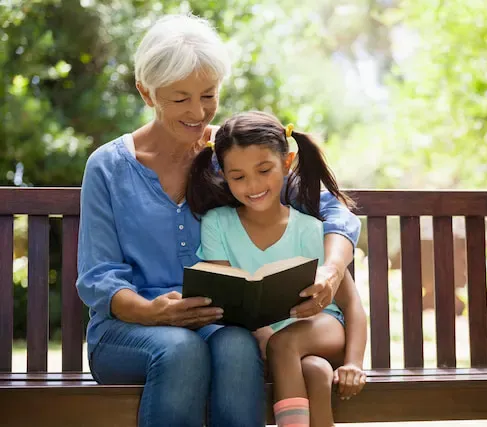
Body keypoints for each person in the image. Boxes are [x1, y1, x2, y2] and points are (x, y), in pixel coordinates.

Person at [75, 13, 361, 427]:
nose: (198, 112)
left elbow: (334, 212)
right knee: (179, 348)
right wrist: (151, 311)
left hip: (217, 325)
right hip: (127, 331)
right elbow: (99, 276)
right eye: (180, 99)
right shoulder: (108, 167)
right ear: (146, 92)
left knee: (236, 345)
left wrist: (332, 273)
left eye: (208, 95)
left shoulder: (232, 159)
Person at [186, 111, 367, 427]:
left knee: (284, 344)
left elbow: (351, 304)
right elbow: (229, 299)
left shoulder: (310, 229)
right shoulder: (217, 224)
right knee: (315, 371)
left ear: (286, 162)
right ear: (223, 175)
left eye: (264, 170)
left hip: (322, 329)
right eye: (238, 176)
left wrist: (354, 363)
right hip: (266, 341)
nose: (253, 185)